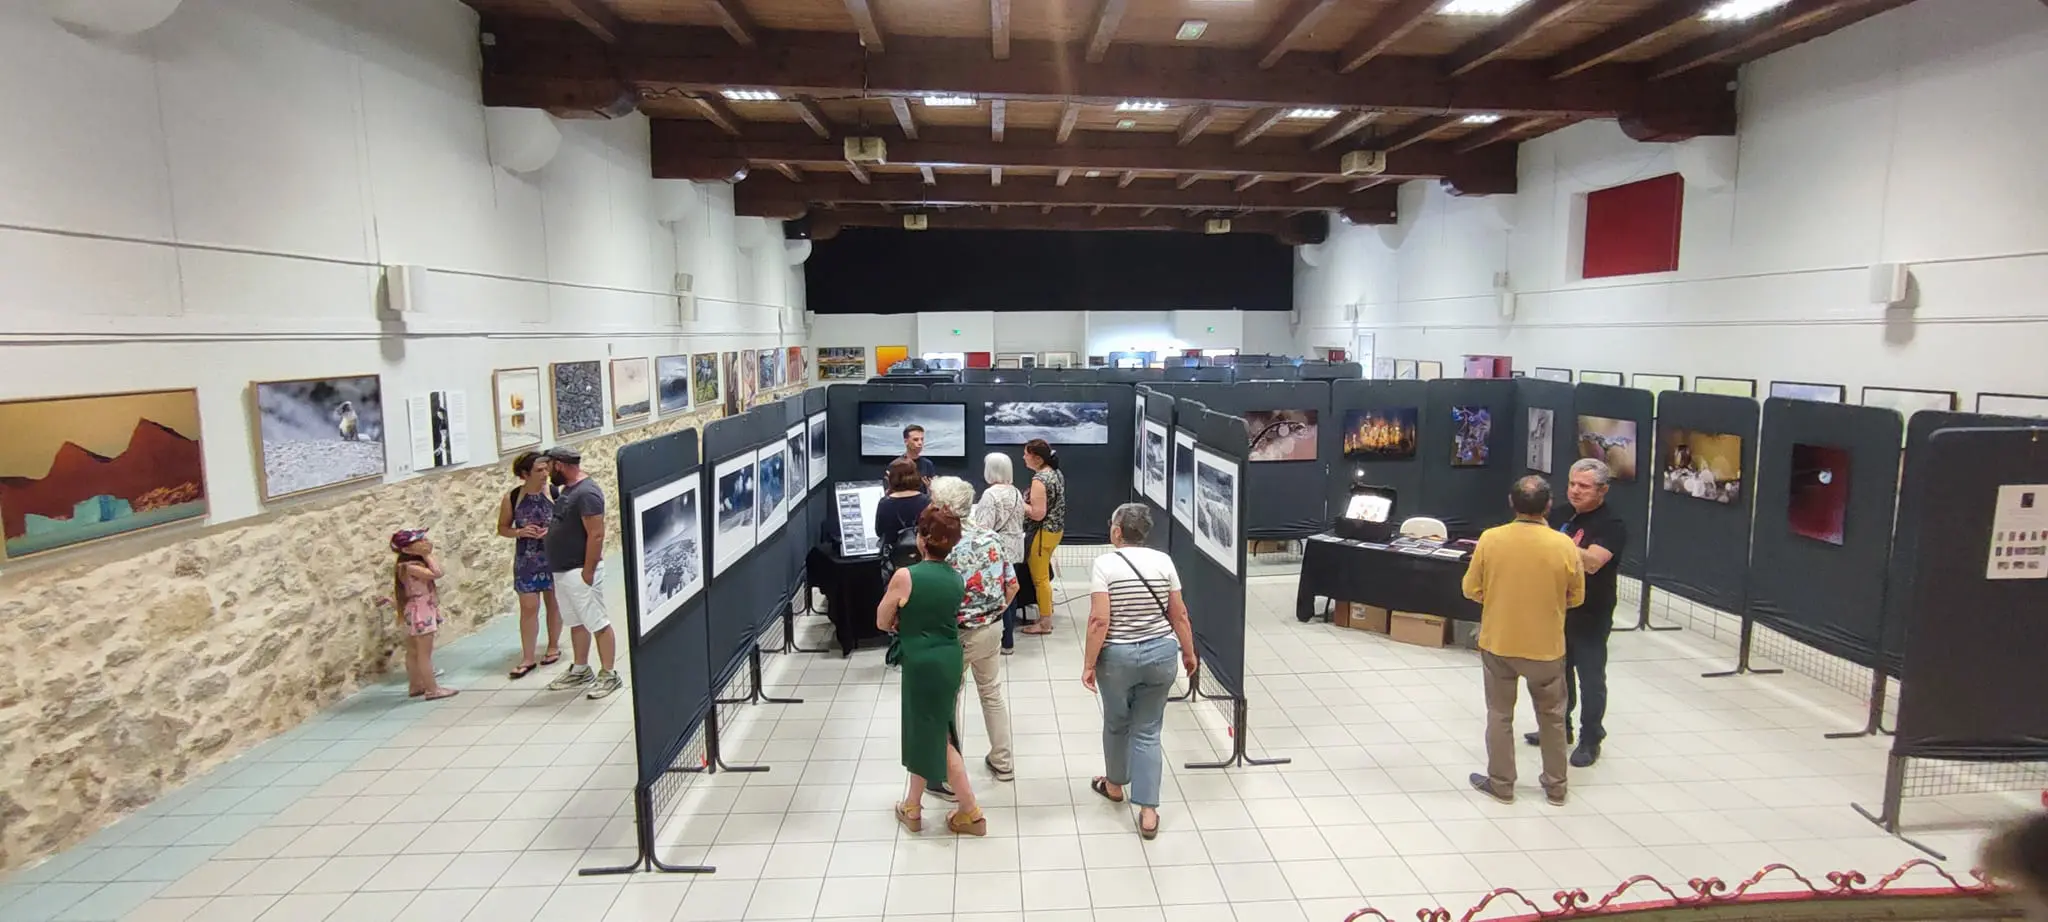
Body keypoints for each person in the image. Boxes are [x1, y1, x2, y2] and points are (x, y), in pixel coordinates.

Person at [1461, 475, 1585, 806]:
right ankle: (1556, 786)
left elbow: (1470, 588)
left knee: (1500, 715)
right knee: (1553, 717)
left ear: (1511, 503)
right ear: (1548, 505)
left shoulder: (1491, 539)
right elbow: (1577, 596)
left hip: (1499, 641)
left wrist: (1499, 598)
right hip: (1546, 648)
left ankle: (1502, 783)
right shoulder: (1564, 545)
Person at [1083, 504, 1198, 839]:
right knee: (1148, 730)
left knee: (1117, 722)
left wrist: (1089, 664)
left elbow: (1099, 620)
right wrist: (1189, 653)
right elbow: (1179, 615)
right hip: (1161, 654)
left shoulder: (1105, 564)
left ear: (1117, 531)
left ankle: (1116, 784)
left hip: (1117, 657)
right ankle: (1149, 812)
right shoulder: (1164, 562)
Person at [878, 506, 987, 836]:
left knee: (937, 736)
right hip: (949, 659)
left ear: (922, 540)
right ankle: (912, 804)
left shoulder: (905, 577)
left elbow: (882, 620)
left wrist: (900, 619)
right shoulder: (956, 579)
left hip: (919, 661)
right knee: (928, 728)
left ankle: (971, 810)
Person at [1525, 458, 1627, 767]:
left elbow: (1594, 561)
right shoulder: (1557, 516)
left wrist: (1554, 542)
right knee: (1559, 674)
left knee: (1591, 678)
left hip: (1591, 613)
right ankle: (1560, 729)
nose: (1575, 491)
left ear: (1603, 490)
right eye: (1572, 484)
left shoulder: (1611, 525)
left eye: (1584, 486)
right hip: (1557, 610)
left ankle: (1591, 737)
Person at [931, 476, 1019, 782]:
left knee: (948, 699)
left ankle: (947, 773)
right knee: (991, 693)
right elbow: (1013, 585)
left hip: (951, 635)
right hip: (990, 630)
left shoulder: (941, 546)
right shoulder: (991, 538)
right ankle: (1003, 761)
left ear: (942, 508)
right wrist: (992, 614)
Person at [541, 446, 623, 699]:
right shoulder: (568, 490)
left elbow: (596, 534)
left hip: (580, 570)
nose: (546, 473)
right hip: (563, 569)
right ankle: (580, 668)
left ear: (561, 465)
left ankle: (609, 673)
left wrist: (588, 571)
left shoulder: (587, 494)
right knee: (576, 622)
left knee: (597, 621)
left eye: (549, 466)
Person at [498, 451, 563, 679]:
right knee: (528, 607)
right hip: (526, 557)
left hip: (552, 554)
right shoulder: (513, 497)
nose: (545, 474)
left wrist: (551, 531)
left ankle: (553, 645)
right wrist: (520, 531)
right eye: (539, 470)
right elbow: (503, 528)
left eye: (546, 469)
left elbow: (564, 522)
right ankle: (528, 657)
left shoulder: (554, 493)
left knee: (553, 601)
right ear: (525, 474)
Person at [390, 529, 457, 701]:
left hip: (415, 609)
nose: (425, 542)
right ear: (407, 550)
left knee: (413, 651)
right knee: (423, 653)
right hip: (421, 611)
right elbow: (437, 573)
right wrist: (428, 556)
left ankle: (416, 685)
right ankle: (432, 689)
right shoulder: (410, 567)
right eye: (419, 541)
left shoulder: (404, 566)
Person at [972, 453, 1028, 654]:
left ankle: (1001, 640)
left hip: (996, 549)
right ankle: (1009, 640)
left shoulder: (990, 494)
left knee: (997, 594)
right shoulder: (1015, 492)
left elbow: (983, 527)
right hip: (1015, 547)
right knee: (1011, 592)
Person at [1017, 439, 1068, 636]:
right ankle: (1046, 611)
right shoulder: (1056, 473)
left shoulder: (1040, 480)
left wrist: (1020, 503)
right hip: (1055, 531)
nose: (1023, 457)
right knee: (1043, 576)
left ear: (1037, 458)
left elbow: (1038, 513)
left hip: (1041, 533)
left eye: (1026, 454)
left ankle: (1045, 623)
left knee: (1040, 579)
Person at [873, 459, 931, 563]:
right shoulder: (926, 501)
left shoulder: (885, 503)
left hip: (893, 559)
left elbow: (879, 531)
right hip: (921, 557)